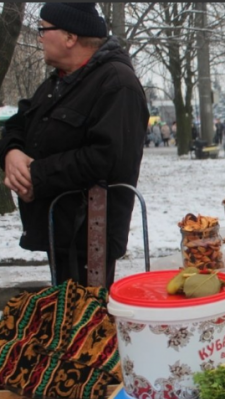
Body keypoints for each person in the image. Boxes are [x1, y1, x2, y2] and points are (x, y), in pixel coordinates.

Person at [0, 2, 149, 290]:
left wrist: (37, 175)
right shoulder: (58, 84)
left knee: (86, 326)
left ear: (70, 37)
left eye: (43, 29)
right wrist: (12, 153)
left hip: (89, 240)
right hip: (60, 231)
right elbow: (18, 124)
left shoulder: (117, 83)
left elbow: (107, 158)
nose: (39, 37)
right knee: (64, 322)